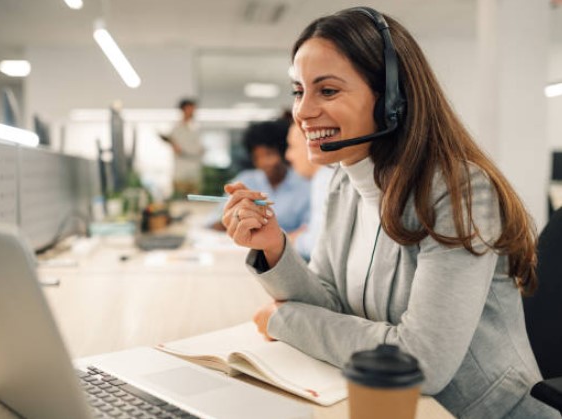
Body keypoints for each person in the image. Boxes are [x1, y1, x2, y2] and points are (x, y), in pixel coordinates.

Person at [219, 7, 559, 419]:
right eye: (298, 90)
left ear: (392, 100)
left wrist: (284, 320)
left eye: (326, 91)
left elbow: (420, 363)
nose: (303, 112)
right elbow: (329, 303)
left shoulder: (460, 193)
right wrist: (274, 249)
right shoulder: (345, 183)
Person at [208, 118, 311, 234]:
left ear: (283, 153)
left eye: (269, 154)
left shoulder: (305, 185)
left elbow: (310, 231)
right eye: (257, 157)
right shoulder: (245, 180)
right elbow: (213, 222)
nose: (263, 162)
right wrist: (233, 216)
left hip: (287, 250)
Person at [284, 122, 335, 260]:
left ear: (313, 145)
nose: (288, 156)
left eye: (292, 146)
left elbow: (316, 246)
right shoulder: (326, 176)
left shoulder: (325, 177)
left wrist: (289, 240)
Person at [167, 98, 204, 197]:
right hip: (181, 170)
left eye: (193, 109)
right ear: (183, 109)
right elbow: (175, 147)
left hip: (194, 169)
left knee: (194, 197)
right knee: (180, 197)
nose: (193, 111)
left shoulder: (196, 128)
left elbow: (200, 149)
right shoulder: (176, 129)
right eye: (190, 108)